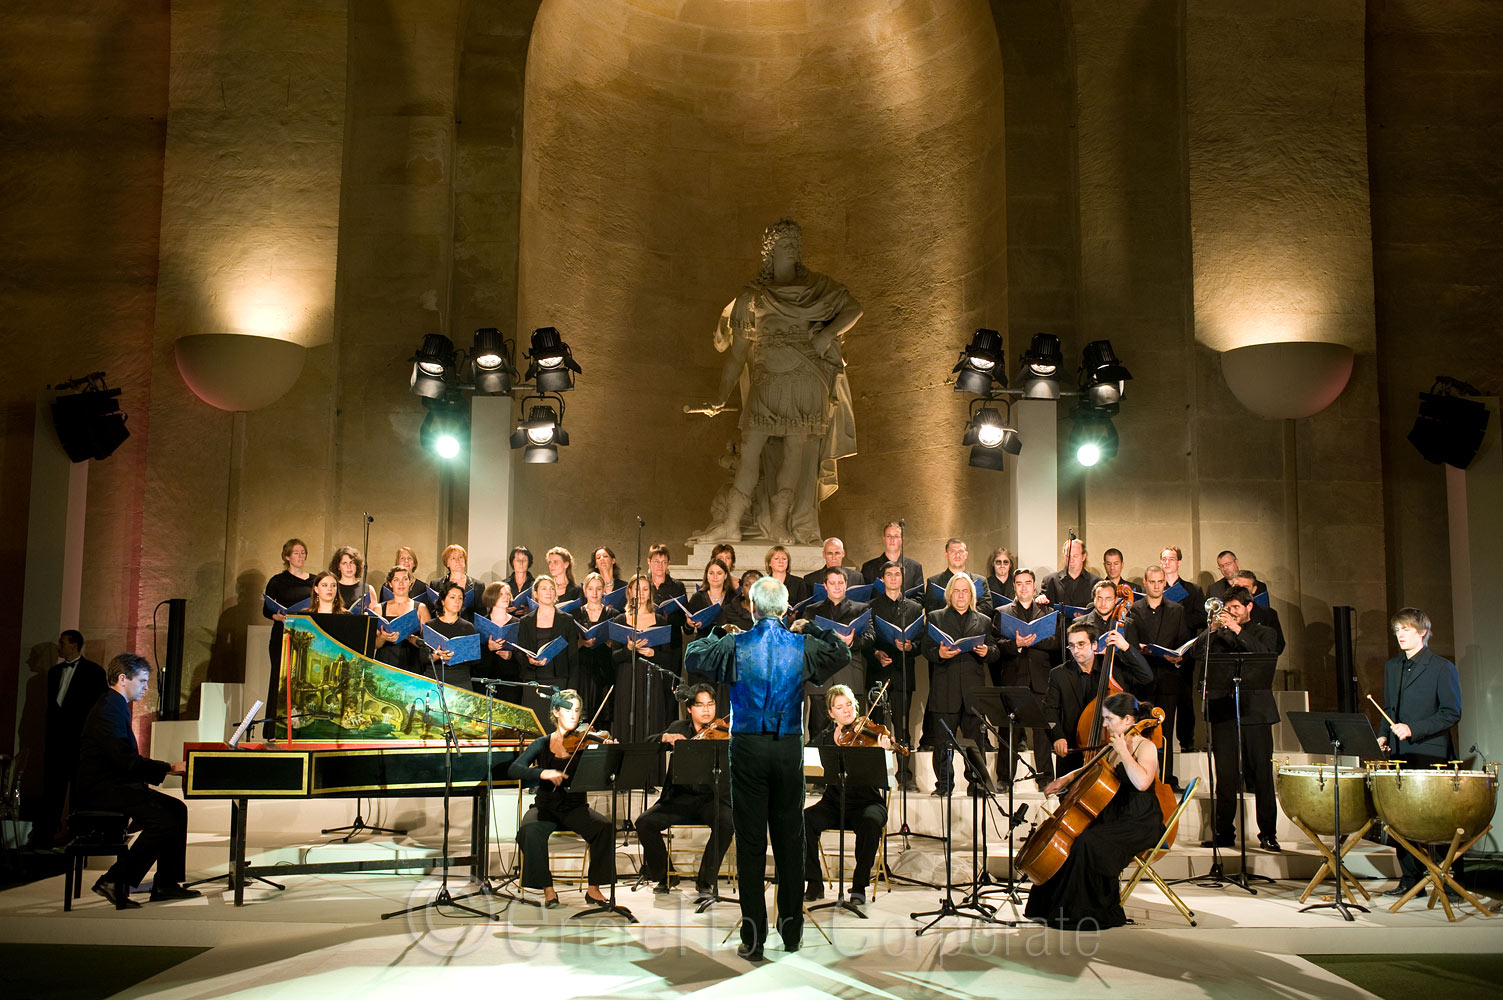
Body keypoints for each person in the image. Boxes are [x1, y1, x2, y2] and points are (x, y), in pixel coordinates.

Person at [684, 576, 851, 960]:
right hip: (788, 746)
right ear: (785, 609)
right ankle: (791, 933)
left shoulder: (736, 642)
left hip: (747, 748)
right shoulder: (801, 642)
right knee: (790, 840)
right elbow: (841, 655)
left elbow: (694, 656)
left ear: (753, 608)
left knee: (752, 842)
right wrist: (813, 626)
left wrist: (718, 631)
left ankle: (754, 937)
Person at [691, 217, 863, 545]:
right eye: (785, 242)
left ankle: (781, 525)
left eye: (796, 242)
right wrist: (721, 396)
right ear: (769, 252)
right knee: (751, 450)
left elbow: (854, 309)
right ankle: (731, 523)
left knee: (794, 453)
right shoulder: (752, 296)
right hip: (768, 380)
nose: (792, 247)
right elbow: (737, 354)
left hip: (805, 377)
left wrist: (826, 335)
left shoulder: (818, 286)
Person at [1023, 692, 1165, 930]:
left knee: (1089, 842)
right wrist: (1065, 779)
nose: (1105, 725)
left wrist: (1124, 752)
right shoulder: (1113, 746)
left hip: (1140, 820)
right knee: (1074, 839)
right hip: (1116, 815)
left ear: (1129, 720)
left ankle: (1086, 913)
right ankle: (1049, 908)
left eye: (1110, 719)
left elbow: (1142, 782)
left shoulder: (1145, 747)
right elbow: (1090, 768)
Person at [74, 653, 198, 906]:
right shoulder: (109, 708)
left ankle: (166, 883)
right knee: (163, 821)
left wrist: (164, 768)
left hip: (114, 783)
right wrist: (170, 767)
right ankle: (114, 880)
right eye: (142, 681)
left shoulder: (114, 704)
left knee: (176, 809)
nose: (146, 687)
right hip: (104, 788)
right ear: (122, 679)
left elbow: (125, 758)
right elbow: (125, 760)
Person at [1377, 607, 1462, 898]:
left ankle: (1446, 880)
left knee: (1435, 818)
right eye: (1397, 630)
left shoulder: (1441, 667)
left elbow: (1452, 713)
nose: (1400, 635)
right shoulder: (1392, 667)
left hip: (1431, 753)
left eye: (1407, 630)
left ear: (1422, 632)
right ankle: (1410, 879)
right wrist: (1383, 734)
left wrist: (1413, 728)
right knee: (1400, 817)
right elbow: (1389, 710)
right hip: (1400, 753)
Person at [509, 689, 616, 908]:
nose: (573, 715)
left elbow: (605, 776)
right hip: (546, 807)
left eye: (577, 710)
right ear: (556, 712)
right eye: (568, 710)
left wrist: (610, 755)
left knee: (604, 827)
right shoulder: (542, 743)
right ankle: (548, 890)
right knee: (529, 831)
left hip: (575, 807)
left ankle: (593, 889)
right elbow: (514, 769)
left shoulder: (587, 742)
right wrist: (541, 773)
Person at [634, 683, 735, 901]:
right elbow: (647, 742)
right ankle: (666, 876)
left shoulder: (725, 732)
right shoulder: (679, 727)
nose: (706, 710)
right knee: (644, 822)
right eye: (700, 705)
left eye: (710, 704)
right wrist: (665, 738)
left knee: (728, 822)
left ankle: (706, 880)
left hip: (712, 799)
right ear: (689, 709)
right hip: (679, 799)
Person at [1197, 587, 1280, 850]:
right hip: (1224, 711)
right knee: (1226, 776)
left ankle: (1268, 834)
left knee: (1262, 775)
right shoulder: (1217, 635)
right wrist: (1211, 630)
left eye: (1235, 608)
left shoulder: (1265, 631)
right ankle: (1224, 833)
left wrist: (1237, 629)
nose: (1230, 613)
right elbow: (1195, 655)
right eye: (1228, 608)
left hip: (1256, 712)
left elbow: (1265, 655)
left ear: (1248, 608)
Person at [803, 684, 891, 908]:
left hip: (868, 802)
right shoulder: (824, 739)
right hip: (834, 803)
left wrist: (885, 753)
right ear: (831, 714)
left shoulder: (871, 734)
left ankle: (859, 886)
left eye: (849, 704)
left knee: (871, 822)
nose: (847, 710)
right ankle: (814, 882)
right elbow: (808, 763)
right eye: (839, 707)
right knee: (805, 820)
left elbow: (887, 777)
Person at [921, 573, 997, 796]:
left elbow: (994, 651)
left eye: (965, 591)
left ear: (971, 595)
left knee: (975, 744)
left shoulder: (983, 620)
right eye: (957, 591)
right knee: (943, 744)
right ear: (950, 594)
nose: (961, 595)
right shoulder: (936, 617)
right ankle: (944, 785)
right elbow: (925, 649)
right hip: (945, 689)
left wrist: (986, 651)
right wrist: (940, 653)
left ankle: (976, 784)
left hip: (973, 692)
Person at [30, 630, 106, 848]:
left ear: (74, 645)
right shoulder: (54, 673)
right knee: (52, 788)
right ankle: (46, 834)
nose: (59, 647)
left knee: (78, 791)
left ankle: (76, 834)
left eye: (62, 643)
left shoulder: (94, 673)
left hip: (80, 743)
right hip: (55, 743)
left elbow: (97, 711)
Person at [996, 569, 1060, 790]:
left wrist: (1031, 641)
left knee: (1042, 731)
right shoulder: (1003, 612)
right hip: (1014, 678)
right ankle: (1005, 777)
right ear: (1014, 586)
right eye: (1019, 583)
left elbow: (1055, 643)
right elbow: (997, 647)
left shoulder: (1047, 611)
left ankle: (1045, 778)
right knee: (1009, 730)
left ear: (1034, 586)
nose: (1024, 588)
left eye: (1028, 583)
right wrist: (1016, 645)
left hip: (1041, 679)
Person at [1132, 565, 1191, 789]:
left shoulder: (1177, 610)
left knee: (1165, 732)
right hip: (1143, 679)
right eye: (1152, 582)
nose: (1156, 586)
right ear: (1145, 583)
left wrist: (1178, 657)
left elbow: (1184, 640)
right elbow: (1131, 642)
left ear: (1165, 584)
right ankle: (1143, 779)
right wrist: (1141, 649)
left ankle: (1166, 779)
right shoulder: (1135, 609)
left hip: (1168, 677)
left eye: (1160, 582)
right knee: (1143, 730)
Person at [866, 560, 923, 791]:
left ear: (902, 579)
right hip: (878, 670)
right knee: (877, 726)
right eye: (888, 574)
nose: (893, 578)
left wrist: (910, 647)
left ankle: (905, 775)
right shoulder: (870, 607)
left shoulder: (914, 608)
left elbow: (922, 643)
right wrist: (876, 653)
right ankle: (877, 774)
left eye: (897, 575)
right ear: (882, 579)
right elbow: (865, 641)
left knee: (902, 726)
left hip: (902, 672)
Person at [799, 566, 875, 736]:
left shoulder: (860, 609)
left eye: (840, 583)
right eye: (832, 583)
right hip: (822, 676)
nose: (837, 587)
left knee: (854, 730)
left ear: (846, 584)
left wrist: (851, 641)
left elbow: (870, 636)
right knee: (819, 729)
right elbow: (805, 641)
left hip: (849, 672)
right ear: (825, 586)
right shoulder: (812, 610)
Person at [611, 574, 679, 742]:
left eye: (645, 589)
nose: (641, 593)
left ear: (650, 592)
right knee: (628, 720)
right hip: (627, 678)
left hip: (652, 678)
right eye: (637, 589)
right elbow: (614, 657)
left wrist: (653, 654)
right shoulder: (621, 620)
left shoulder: (659, 621)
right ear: (629, 592)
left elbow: (669, 658)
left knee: (651, 719)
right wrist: (628, 650)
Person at [262, 538, 314, 726]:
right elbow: (266, 609)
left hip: (306, 636)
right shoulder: (277, 581)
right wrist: (276, 616)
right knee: (279, 679)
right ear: (287, 557)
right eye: (296, 553)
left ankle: (301, 726)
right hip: (282, 635)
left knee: (302, 679)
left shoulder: (314, 581)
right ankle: (273, 728)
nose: (301, 556)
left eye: (303, 552)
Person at [1160, 544, 1206, 753]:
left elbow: (1201, 618)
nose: (1166, 563)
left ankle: (1187, 741)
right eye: (1163, 559)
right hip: (1161, 651)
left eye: (1171, 559)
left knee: (1185, 699)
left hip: (1184, 651)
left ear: (1179, 562)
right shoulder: (1155, 589)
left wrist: (1177, 616)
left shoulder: (1193, 590)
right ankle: (1160, 741)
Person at [515, 576, 581, 720]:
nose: (548, 592)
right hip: (534, 682)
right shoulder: (526, 621)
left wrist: (572, 686)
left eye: (552, 589)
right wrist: (529, 661)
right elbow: (519, 653)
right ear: (536, 593)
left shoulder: (566, 620)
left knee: (557, 725)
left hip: (559, 681)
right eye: (544, 589)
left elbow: (573, 657)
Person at [1044, 623, 1106, 777]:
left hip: (1104, 747)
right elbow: (1049, 710)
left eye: (1081, 644)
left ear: (1094, 645)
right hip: (1071, 749)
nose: (1076, 651)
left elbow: (1145, 676)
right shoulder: (1059, 674)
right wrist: (1057, 736)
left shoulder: (1110, 669)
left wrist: (1126, 648)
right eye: (1071, 646)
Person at [1070, 579, 1152, 695]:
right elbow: (1072, 660)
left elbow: (1138, 669)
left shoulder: (1127, 625)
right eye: (1099, 598)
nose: (1103, 603)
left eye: (1108, 599)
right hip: (1087, 687)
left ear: (1116, 601)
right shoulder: (1079, 623)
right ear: (1094, 599)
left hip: (1118, 686)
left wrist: (1126, 648)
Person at [574, 572, 620, 719]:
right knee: (583, 717)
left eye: (599, 588)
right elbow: (569, 644)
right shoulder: (576, 614)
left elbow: (619, 644)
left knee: (604, 716)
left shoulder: (613, 614)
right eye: (590, 588)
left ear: (604, 591)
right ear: (584, 590)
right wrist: (582, 642)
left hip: (605, 669)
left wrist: (611, 643)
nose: (594, 592)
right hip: (583, 670)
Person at [372, 565, 432, 674]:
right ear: (390, 584)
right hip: (385, 661)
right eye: (396, 580)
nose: (401, 583)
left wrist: (410, 638)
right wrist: (383, 637)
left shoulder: (420, 608)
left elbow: (428, 643)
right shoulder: (379, 608)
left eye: (405, 579)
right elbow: (374, 644)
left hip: (412, 663)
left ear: (410, 583)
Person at [426, 580, 479, 691]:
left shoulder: (469, 627)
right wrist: (437, 655)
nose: (457, 601)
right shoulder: (430, 626)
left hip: (461, 679)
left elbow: (476, 660)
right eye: (452, 597)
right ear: (443, 601)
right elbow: (422, 657)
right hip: (434, 679)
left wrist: (462, 655)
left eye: (460, 598)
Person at [473, 581, 524, 691]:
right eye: (501, 594)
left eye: (507, 594)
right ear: (492, 596)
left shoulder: (518, 623)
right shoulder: (481, 623)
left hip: (510, 681)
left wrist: (511, 655)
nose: (505, 597)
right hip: (485, 679)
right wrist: (488, 648)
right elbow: (473, 655)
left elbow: (523, 652)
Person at [924, 537, 993, 618]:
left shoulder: (980, 581)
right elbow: (930, 611)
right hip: (945, 628)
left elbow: (987, 608)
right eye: (953, 551)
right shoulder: (934, 582)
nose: (957, 555)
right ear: (946, 555)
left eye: (961, 551)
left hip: (973, 627)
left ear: (966, 555)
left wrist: (965, 614)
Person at [860, 522, 924, 593]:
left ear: (901, 540)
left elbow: (919, 597)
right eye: (888, 536)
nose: (892, 539)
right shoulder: (868, 567)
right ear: (884, 539)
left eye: (896, 536)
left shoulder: (915, 567)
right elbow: (864, 598)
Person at [1232, 571, 1285, 654]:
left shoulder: (1269, 614)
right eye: (1237, 587)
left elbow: (1278, 646)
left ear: (1254, 590)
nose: (1241, 592)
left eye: (1245, 588)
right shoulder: (1223, 612)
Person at [1042, 538, 1099, 612]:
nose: (1071, 560)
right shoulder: (1050, 580)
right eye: (1068, 556)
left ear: (1083, 557)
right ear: (1063, 556)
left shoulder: (1096, 582)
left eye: (1075, 556)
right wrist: (1040, 599)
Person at [430, 544, 482, 620]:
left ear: (465, 560)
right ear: (447, 563)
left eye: (460, 557)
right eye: (453, 558)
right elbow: (433, 610)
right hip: (443, 626)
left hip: (468, 628)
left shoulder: (478, 585)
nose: (458, 561)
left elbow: (481, 613)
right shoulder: (436, 584)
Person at [685, 558, 733, 637]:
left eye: (719, 573)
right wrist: (689, 624)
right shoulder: (698, 597)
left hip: (727, 645)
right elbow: (687, 631)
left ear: (725, 575)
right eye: (711, 573)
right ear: (706, 575)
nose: (715, 577)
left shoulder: (732, 597)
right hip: (703, 645)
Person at [329, 545, 378, 611]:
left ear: (357, 565)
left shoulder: (368, 589)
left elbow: (374, 616)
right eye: (344, 563)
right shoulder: (332, 588)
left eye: (351, 562)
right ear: (338, 567)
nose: (349, 567)